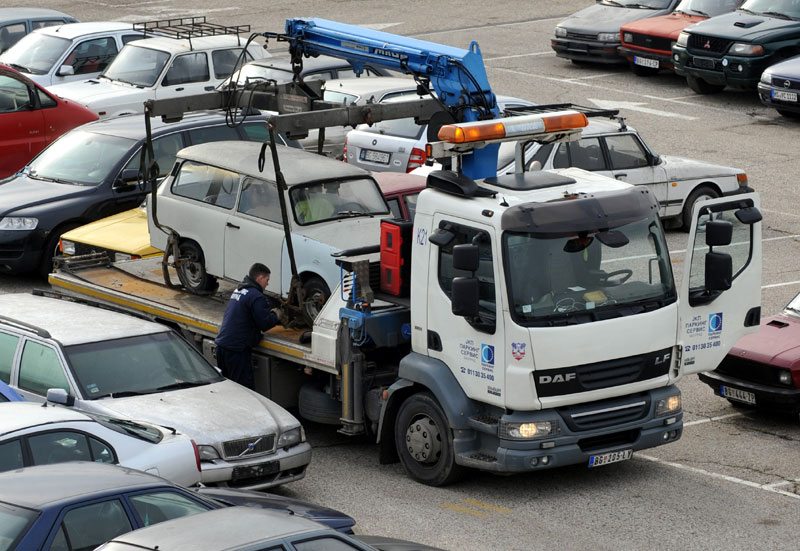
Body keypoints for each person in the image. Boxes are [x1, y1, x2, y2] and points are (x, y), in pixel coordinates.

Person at [214, 263, 281, 389]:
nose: (268, 284)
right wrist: (276, 316)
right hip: (236, 350)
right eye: (267, 280)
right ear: (260, 278)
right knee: (243, 390)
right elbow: (265, 323)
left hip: (222, 346)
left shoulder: (238, 290)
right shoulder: (256, 296)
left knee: (228, 388)